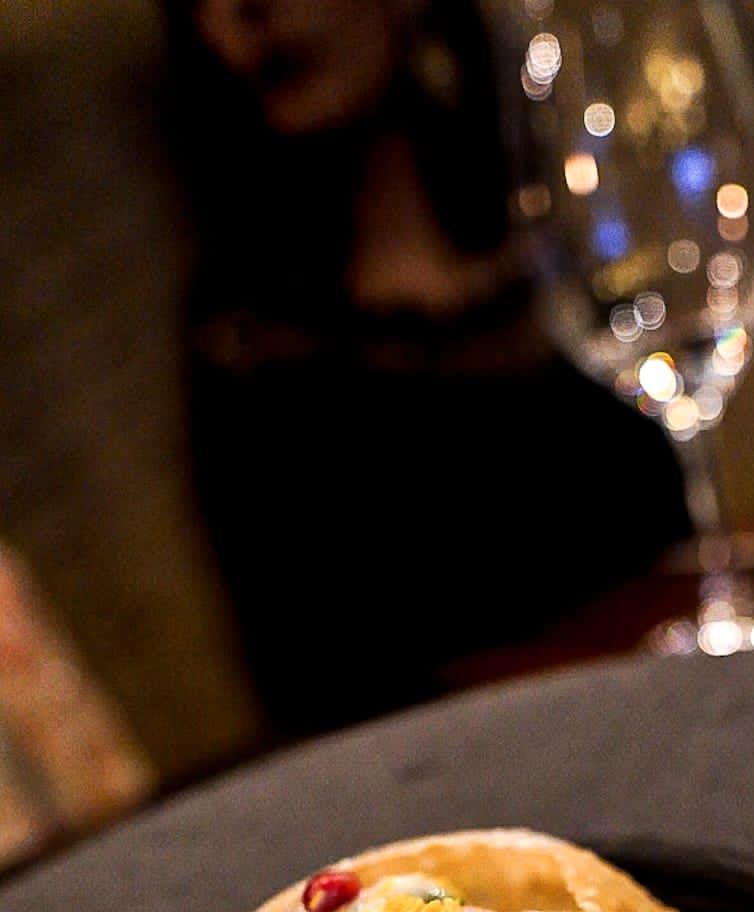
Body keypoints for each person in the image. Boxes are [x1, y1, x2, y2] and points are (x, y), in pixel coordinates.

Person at [158, 2, 692, 739]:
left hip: (673, 704)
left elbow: (669, 529)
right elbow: (313, 687)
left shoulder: (554, 233)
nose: (243, 11)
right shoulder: (242, 341)